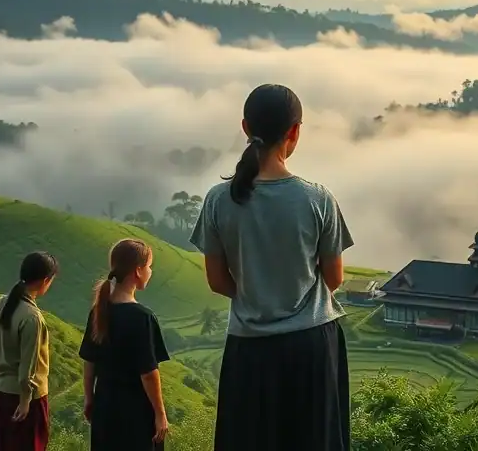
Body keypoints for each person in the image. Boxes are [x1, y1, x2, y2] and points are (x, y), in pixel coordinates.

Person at [190, 83, 354, 451]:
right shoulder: (317, 199)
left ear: (246, 127)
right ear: (295, 131)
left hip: (250, 349)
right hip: (311, 346)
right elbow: (334, 278)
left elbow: (217, 281)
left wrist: (254, 291)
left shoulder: (219, 200)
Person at [79, 238, 170, 451]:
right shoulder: (142, 317)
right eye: (149, 266)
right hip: (135, 413)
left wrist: (89, 398)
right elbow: (148, 373)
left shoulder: (99, 311)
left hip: (104, 408)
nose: (150, 271)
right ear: (138, 271)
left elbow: (89, 362)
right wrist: (160, 413)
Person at [0, 251, 59, 451]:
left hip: (2, 390)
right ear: (45, 280)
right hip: (27, 400)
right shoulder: (32, 317)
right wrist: (25, 401)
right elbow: (28, 368)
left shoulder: (1, 303)